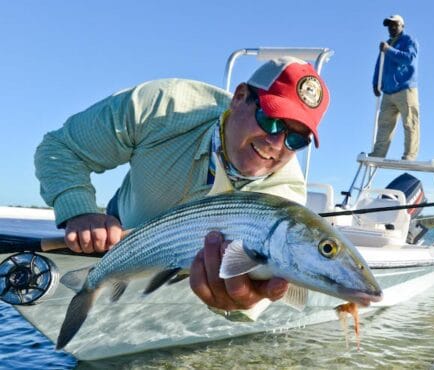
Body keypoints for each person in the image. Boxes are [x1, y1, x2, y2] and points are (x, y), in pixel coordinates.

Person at [34, 56, 330, 315]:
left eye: (296, 139)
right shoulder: (163, 106)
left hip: (192, 274)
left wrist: (244, 304)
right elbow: (61, 148)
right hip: (112, 241)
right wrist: (79, 211)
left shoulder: (285, 197)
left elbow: (273, 277)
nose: (276, 144)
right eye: (272, 121)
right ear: (239, 97)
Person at [370, 14, 420, 160]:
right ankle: (378, 154)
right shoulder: (386, 44)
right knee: (384, 124)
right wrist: (375, 83)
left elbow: (410, 59)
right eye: (389, 25)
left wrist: (389, 50)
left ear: (402, 26)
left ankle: (409, 155)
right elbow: (379, 65)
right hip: (388, 91)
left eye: (395, 24)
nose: (391, 27)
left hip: (406, 89)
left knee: (410, 122)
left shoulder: (408, 40)